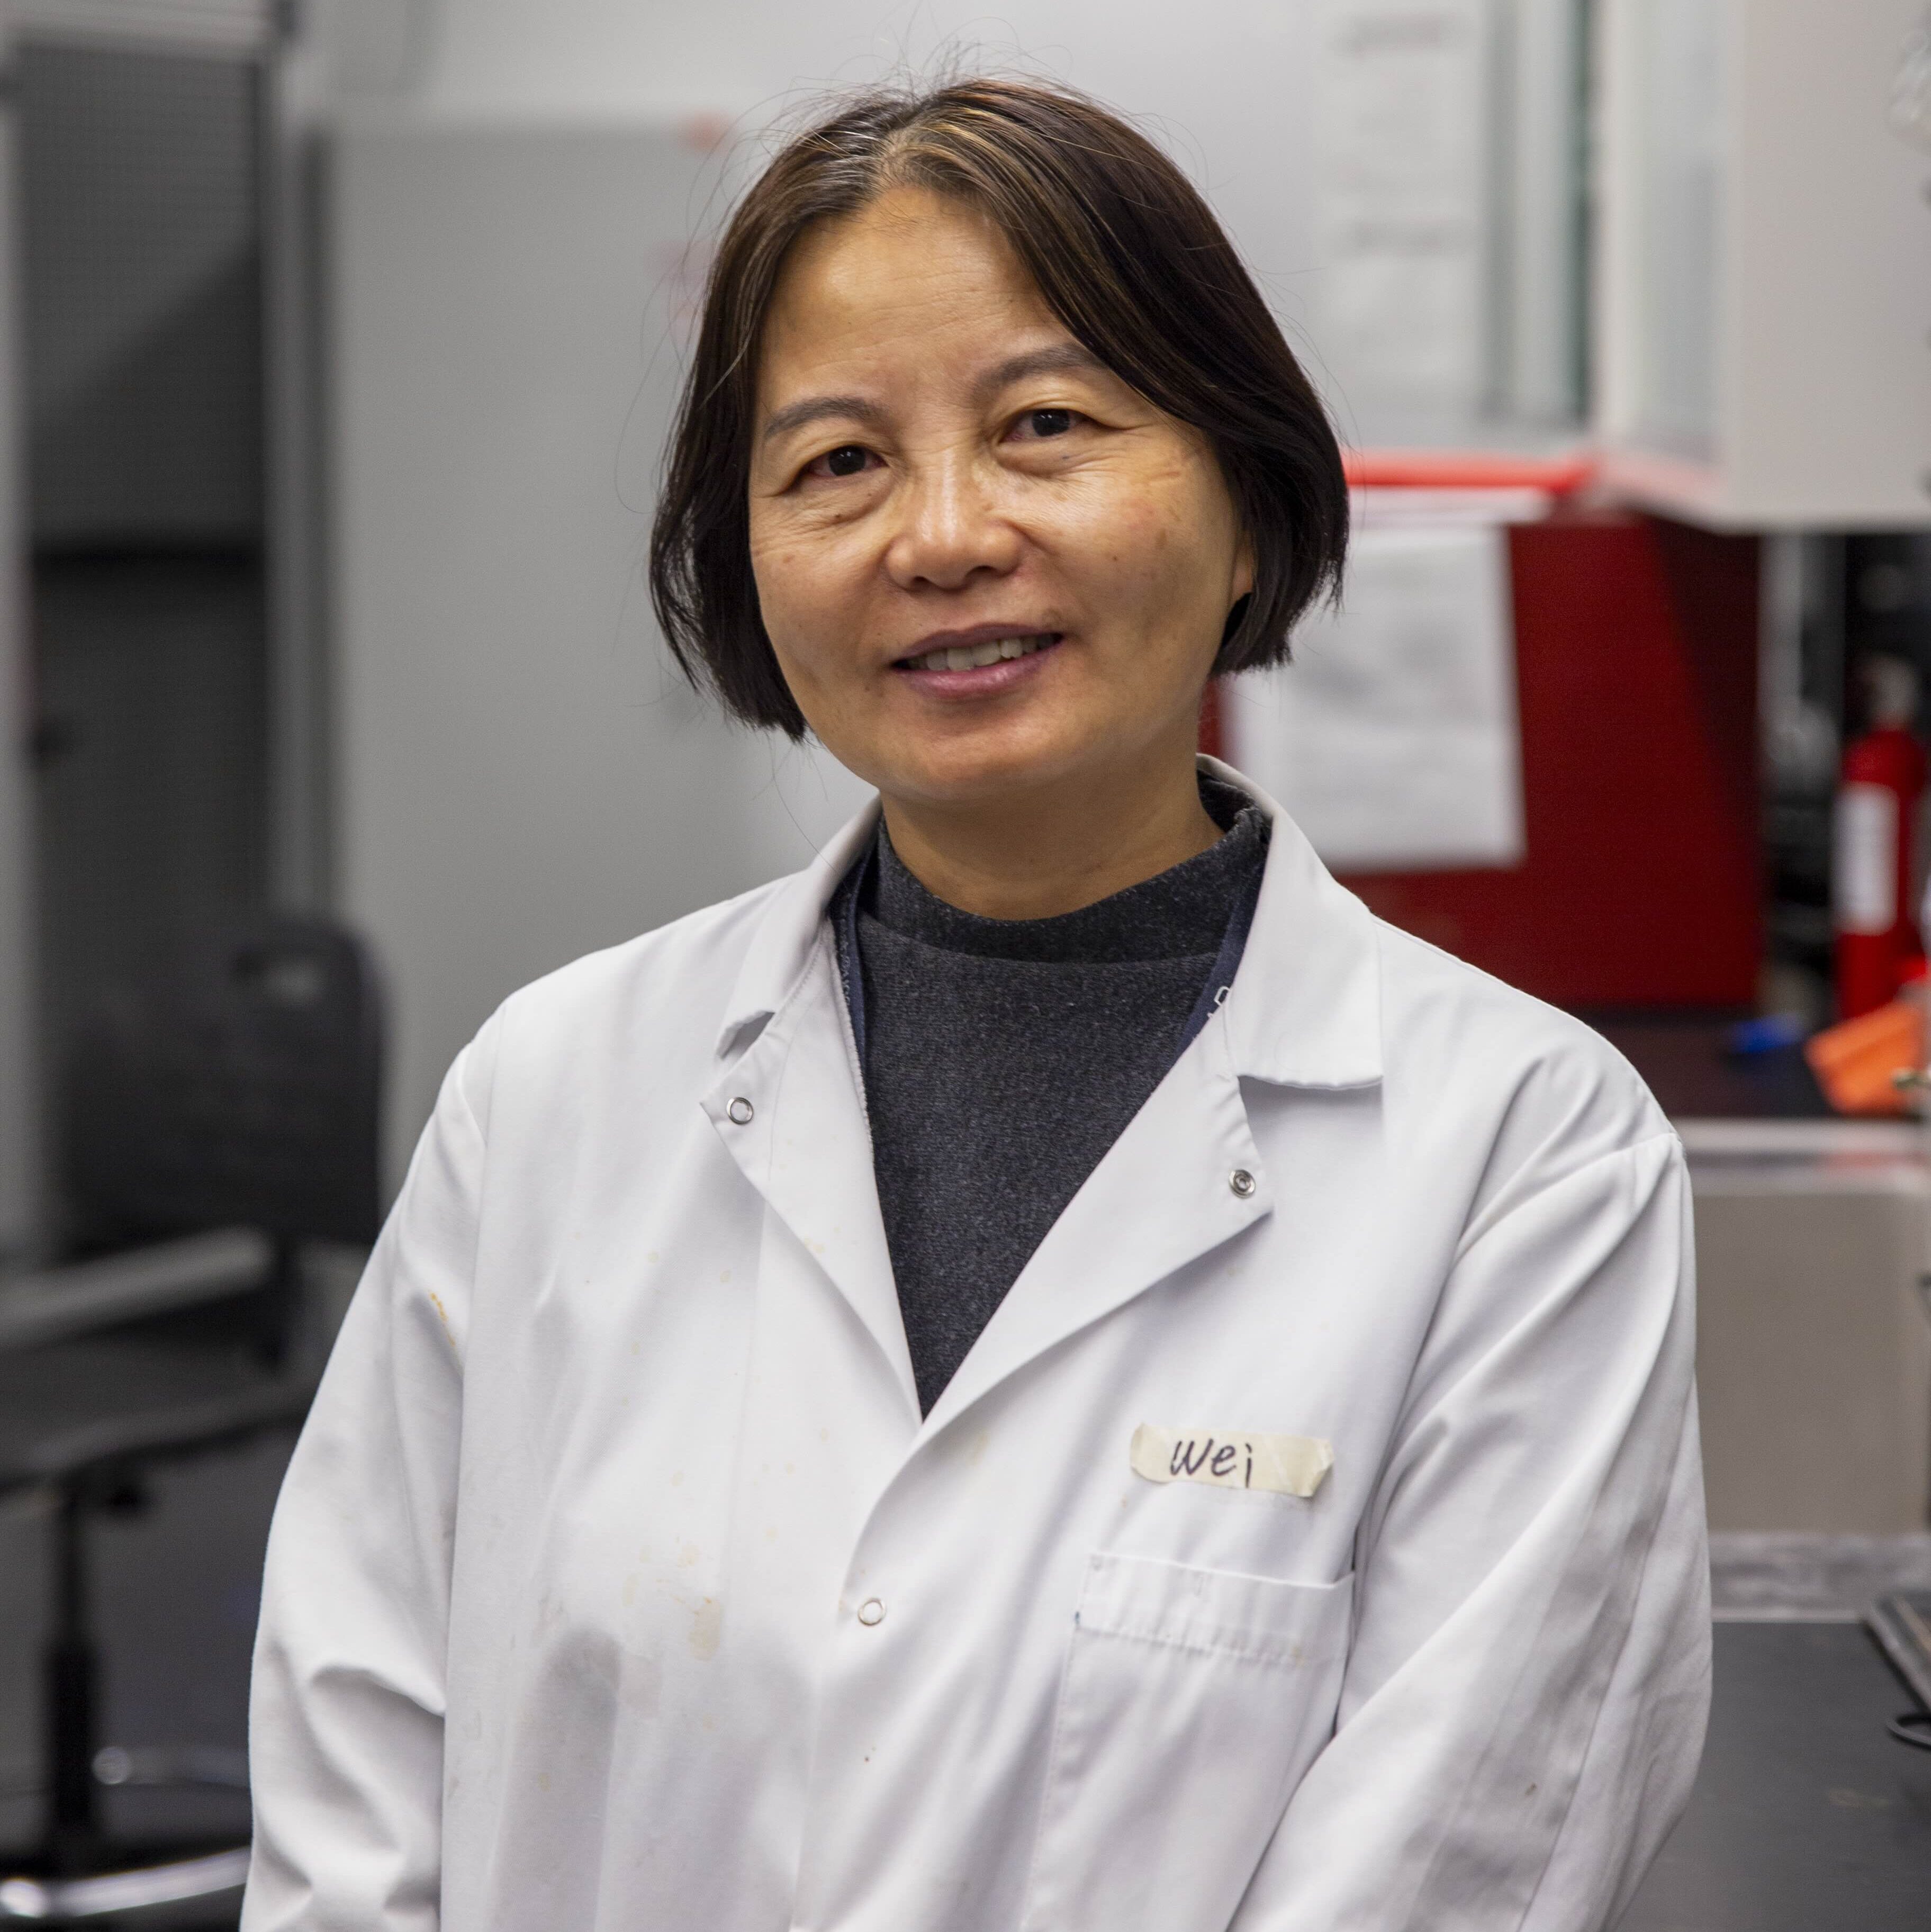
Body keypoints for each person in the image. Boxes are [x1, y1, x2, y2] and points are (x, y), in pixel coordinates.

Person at [241, 78, 1709, 1932]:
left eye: (1046, 426)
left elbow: (1458, 1864)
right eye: (836, 462)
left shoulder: (1524, 1160)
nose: (940, 536)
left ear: (1246, 510)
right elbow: (356, 1793)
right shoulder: (550, 1093)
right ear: (746, 558)